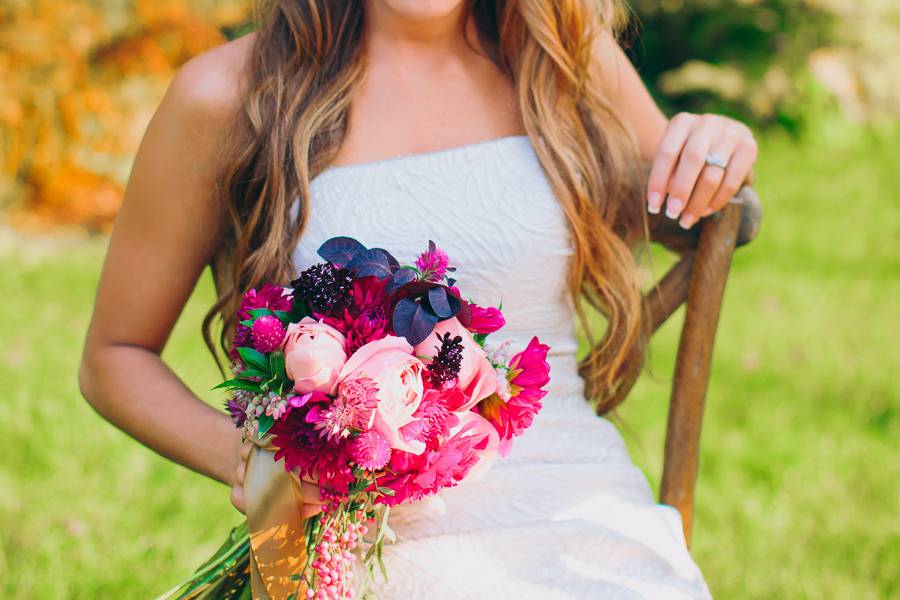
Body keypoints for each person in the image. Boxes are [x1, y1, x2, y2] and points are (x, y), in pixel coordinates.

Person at [79, 1, 758, 598]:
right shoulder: (228, 96)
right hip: (360, 538)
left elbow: (691, 204)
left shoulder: (561, 56)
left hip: (579, 503)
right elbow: (115, 357)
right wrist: (257, 462)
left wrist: (717, 146)